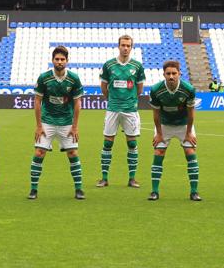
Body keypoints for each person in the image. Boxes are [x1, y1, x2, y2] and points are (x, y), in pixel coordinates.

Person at [28, 46, 85, 200]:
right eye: (57, 59)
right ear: (52, 60)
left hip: (67, 122)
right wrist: (39, 126)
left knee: (73, 153)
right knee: (39, 152)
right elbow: (38, 101)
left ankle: (79, 189)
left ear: (67, 61)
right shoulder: (44, 78)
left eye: (62, 59)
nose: (59, 62)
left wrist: (75, 126)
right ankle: (33, 189)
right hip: (47, 122)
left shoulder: (73, 78)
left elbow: (77, 103)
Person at [96, 34, 146, 188]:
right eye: (123, 45)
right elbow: (104, 87)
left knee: (132, 143)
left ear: (131, 47)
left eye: (128, 45)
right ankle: (104, 178)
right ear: (118, 46)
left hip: (130, 109)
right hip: (113, 109)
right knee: (107, 143)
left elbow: (139, 88)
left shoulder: (137, 66)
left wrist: (129, 100)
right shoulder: (109, 65)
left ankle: (132, 179)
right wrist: (112, 99)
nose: (125, 48)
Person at [148, 61, 202, 201]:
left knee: (190, 152)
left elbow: (191, 113)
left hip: (183, 125)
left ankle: (194, 192)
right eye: (168, 74)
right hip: (164, 124)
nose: (171, 76)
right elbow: (156, 114)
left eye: (174, 73)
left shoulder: (188, 89)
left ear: (179, 74)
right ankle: (154, 191)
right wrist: (159, 134)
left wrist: (189, 132)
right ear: (164, 75)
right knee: (159, 151)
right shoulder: (156, 90)